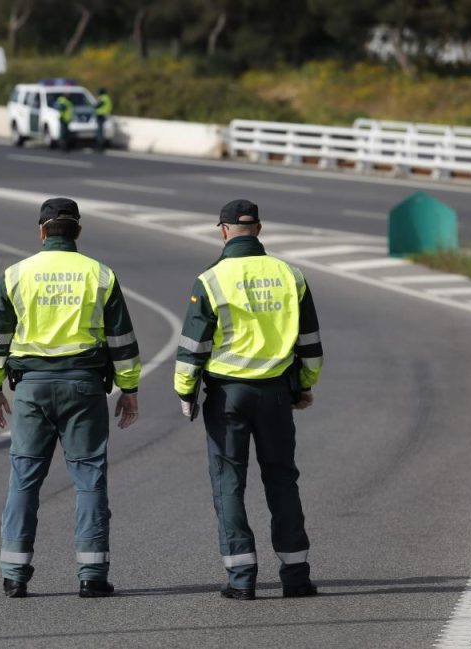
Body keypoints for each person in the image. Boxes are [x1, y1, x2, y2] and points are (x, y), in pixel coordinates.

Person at [0, 197, 141, 599]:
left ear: (41, 232)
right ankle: (92, 575)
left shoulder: (16, 275)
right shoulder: (100, 275)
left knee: (24, 481)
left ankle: (14, 575)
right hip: (85, 387)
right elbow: (122, 342)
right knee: (89, 481)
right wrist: (129, 389)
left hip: (32, 388)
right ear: (78, 232)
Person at [173, 199, 323, 601]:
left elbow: (193, 346)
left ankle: (241, 579)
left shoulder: (211, 280)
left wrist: (186, 391)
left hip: (227, 397)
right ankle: (296, 577)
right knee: (282, 481)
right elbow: (309, 342)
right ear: (259, 229)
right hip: (276, 394)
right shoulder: (291, 276)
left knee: (229, 484)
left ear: (222, 230)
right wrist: (304, 385)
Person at [93, 87, 112, 152]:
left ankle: (100, 146)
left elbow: (97, 105)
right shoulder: (106, 97)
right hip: (103, 115)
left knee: (99, 132)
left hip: (101, 115)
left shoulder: (103, 98)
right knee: (100, 131)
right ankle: (100, 146)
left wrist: (95, 104)